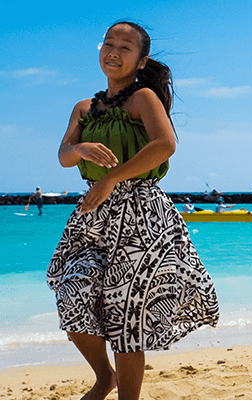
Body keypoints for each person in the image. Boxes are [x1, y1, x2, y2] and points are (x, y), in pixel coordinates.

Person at [47, 21, 219, 400]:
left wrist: (112, 179)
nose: (114, 52)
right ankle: (104, 376)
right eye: (109, 44)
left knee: (128, 315)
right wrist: (79, 150)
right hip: (92, 217)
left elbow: (165, 145)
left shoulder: (143, 98)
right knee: (71, 292)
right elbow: (62, 156)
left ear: (141, 61)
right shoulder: (84, 107)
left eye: (126, 48)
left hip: (141, 213)